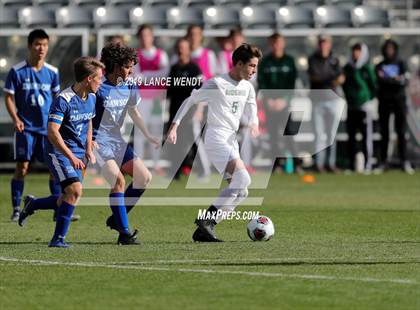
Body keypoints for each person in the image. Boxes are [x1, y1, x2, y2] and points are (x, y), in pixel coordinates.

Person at [167, 43, 262, 242]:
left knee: (241, 191)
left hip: (231, 139)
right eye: (252, 66)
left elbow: (252, 107)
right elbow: (189, 101)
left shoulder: (247, 86)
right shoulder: (217, 83)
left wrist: (254, 123)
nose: (254, 70)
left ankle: (204, 230)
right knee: (244, 179)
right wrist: (174, 125)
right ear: (239, 63)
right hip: (216, 137)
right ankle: (205, 221)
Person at [19, 57, 103, 247]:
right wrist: (71, 156)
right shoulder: (63, 100)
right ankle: (58, 239)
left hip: (78, 153)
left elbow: (89, 121)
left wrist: (89, 147)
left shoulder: (91, 97)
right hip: (58, 152)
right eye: (99, 78)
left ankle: (33, 204)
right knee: (74, 191)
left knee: (66, 197)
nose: (101, 82)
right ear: (89, 78)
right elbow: (52, 132)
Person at [3, 29, 79, 222]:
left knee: (54, 170)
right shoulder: (17, 71)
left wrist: (59, 123)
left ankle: (58, 210)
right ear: (30, 46)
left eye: (44, 44)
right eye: (38, 44)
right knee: (22, 168)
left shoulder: (52, 72)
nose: (41, 48)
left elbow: (56, 99)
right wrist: (16, 119)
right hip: (26, 128)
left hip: (47, 130)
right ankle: (16, 209)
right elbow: (9, 97)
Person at [94, 42, 159, 245]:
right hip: (98, 142)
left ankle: (116, 219)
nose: (130, 70)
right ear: (114, 65)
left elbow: (134, 111)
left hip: (117, 140)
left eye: (132, 66)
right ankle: (124, 232)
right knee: (118, 181)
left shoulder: (129, 85)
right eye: (127, 66)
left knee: (144, 177)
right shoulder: (98, 87)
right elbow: (85, 116)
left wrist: (148, 134)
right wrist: (87, 142)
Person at [258, 33, 301, 174]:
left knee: (288, 134)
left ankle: (296, 164)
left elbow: (292, 83)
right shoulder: (265, 62)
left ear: (283, 43)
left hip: (284, 104)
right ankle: (276, 165)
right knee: (273, 136)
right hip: (270, 104)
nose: (276, 45)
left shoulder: (289, 61)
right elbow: (262, 82)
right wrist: (268, 100)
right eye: (274, 43)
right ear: (271, 44)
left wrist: (284, 100)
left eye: (279, 42)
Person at [133, 24, 169, 176]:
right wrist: (154, 74)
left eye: (147, 35)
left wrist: (146, 74)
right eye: (142, 35)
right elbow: (135, 75)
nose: (145, 38)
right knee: (140, 132)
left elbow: (165, 73)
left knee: (156, 131)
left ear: (152, 37)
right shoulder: (136, 54)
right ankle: (139, 164)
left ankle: (156, 164)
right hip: (141, 99)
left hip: (157, 99)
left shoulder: (161, 54)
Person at [166, 38, 203, 180]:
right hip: (175, 110)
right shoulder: (174, 68)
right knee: (174, 140)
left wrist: (199, 110)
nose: (181, 50)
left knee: (191, 140)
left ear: (189, 50)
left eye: (184, 47)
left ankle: (196, 168)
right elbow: (169, 91)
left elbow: (201, 92)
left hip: (190, 110)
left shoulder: (194, 69)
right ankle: (176, 170)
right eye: (179, 47)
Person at [376, 39, 414, 174]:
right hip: (385, 101)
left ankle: (404, 161)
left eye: (391, 48)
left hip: (399, 100)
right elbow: (380, 80)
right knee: (384, 132)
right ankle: (383, 161)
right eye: (387, 48)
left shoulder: (401, 63)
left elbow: (404, 80)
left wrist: (390, 79)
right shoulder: (380, 65)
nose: (389, 51)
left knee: (401, 132)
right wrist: (394, 79)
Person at [308, 34, 345, 173]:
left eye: (326, 42)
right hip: (318, 100)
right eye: (321, 42)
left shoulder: (335, 59)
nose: (324, 45)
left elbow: (341, 78)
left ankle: (331, 163)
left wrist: (326, 78)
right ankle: (319, 164)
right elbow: (315, 76)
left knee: (331, 134)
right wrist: (331, 78)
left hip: (333, 100)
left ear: (329, 44)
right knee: (318, 134)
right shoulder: (313, 59)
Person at [342, 43, 377, 173]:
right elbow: (344, 85)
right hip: (351, 107)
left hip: (364, 108)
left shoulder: (366, 69)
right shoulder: (347, 68)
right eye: (354, 51)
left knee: (366, 137)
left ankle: (368, 165)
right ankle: (351, 165)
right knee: (351, 137)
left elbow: (373, 87)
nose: (355, 54)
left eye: (358, 51)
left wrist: (366, 98)